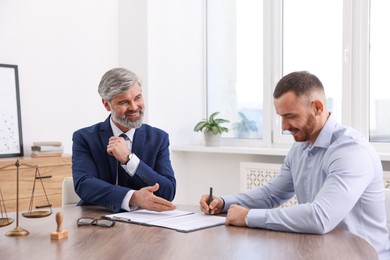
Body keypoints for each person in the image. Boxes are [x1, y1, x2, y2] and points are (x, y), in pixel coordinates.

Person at [200, 71, 390, 259]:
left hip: (360, 255)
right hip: (319, 249)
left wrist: (249, 217)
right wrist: (224, 202)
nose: (283, 126)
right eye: (281, 117)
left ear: (317, 107)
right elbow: (272, 194)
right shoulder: (300, 147)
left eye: (290, 116)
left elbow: (320, 217)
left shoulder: (350, 150)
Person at [72, 68, 176, 213]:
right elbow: (84, 185)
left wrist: (129, 160)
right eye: (124, 102)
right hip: (97, 218)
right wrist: (132, 197)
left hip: (145, 222)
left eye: (137, 98)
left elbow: (168, 191)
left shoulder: (158, 138)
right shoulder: (85, 138)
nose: (134, 107)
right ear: (106, 104)